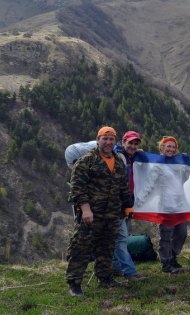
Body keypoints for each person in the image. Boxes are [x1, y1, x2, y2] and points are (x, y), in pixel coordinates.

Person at [65, 126, 133, 297]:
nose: (108, 142)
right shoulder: (86, 161)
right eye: (105, 139)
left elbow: (123, 187)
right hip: (91, 214)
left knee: (107, 247)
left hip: (111, 214)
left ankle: (105, 278)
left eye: (111, 139)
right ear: (98, 140)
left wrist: (128, 206)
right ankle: (74, 283)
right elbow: (77, 188)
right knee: (81, 247)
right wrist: (85, 209)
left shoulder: (118, 161)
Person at [111, 131, 148, 282]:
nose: (133, 146)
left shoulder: (129, 157)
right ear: (123, 142)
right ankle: (130, 273)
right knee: (121, 239)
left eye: (135, 144)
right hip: (117, 204)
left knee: (119, 238)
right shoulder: (116, 156)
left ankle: (115, 268)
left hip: (127, 203)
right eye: (130, 143)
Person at [157, 136, 188, 274]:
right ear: (162, 147)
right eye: (168, 146)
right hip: (165, 205)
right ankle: (166, 262)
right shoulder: (156, 163)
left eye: (173, 147)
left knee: (182, 233)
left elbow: (185, 179)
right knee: (166, 234)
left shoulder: (177, 163)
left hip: (179, 205)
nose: (171, 149)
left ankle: (173, 256)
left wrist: (187, 164)